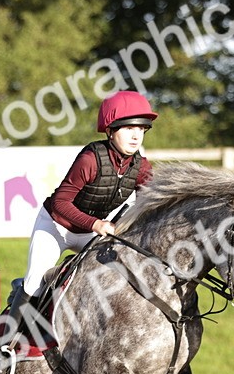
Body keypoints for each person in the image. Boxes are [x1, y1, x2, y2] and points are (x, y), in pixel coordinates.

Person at [9, 90, 156, 338]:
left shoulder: (140, 166)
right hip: (56, 228)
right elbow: (60, 203)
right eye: (128, 128)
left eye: (141, 129)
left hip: (92, 233)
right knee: (35, 281)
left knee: (113, 277)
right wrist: (96, 223)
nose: (136, 135)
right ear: (110, 129)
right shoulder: (90, 159)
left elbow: (150, 200)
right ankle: (7, 342)